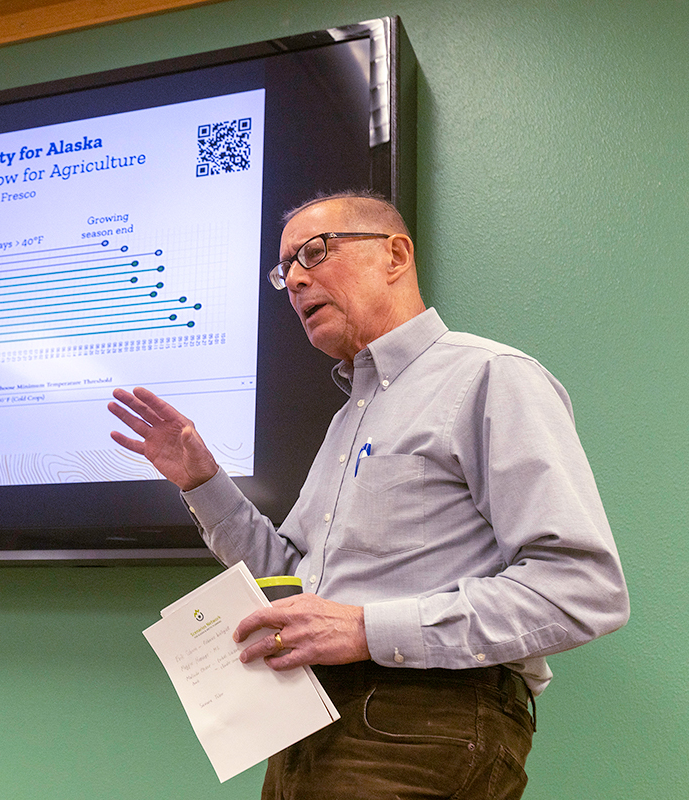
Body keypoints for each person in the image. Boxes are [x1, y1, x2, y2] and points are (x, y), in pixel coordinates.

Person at [108, 191, 629, 799]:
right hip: (308, 721)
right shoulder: (348, 419)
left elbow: (581, 589)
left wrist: (367, 630)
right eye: (285, 272)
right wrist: (201, 481)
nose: (296, 280)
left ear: (396, 254)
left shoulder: (490, 376)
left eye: (314, 252)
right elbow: (294, 582)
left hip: (423, 722)